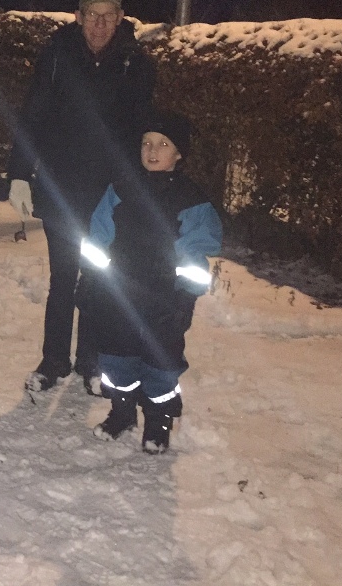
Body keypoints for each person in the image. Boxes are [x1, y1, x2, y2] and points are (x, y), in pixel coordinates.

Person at [7, 0, 156, 394]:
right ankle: (54, 360)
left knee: (97, 278)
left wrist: (145, 185)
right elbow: (33, 115)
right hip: (60, 188)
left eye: (108, 16)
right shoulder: (57, 56)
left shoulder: (136, 64)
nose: (100, 24)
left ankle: (91, 360)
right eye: (93, 15)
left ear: (120, 18)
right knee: (62, 279)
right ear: (79, 16)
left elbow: (143, 128)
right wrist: (19, 172)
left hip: (109, 195)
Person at [77, 111, 222, 454]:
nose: (152, 151)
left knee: (161, 362)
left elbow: (196, 253)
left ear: (179, 153)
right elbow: (98, 238)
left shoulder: (191, 199)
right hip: (118, 292)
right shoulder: (120, 189)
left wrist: (185, 297)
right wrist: (92, 279)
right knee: (116, 356)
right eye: (147, 143)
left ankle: (158, 420)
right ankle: (122, 412)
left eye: (163, 144)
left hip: (164, 297)